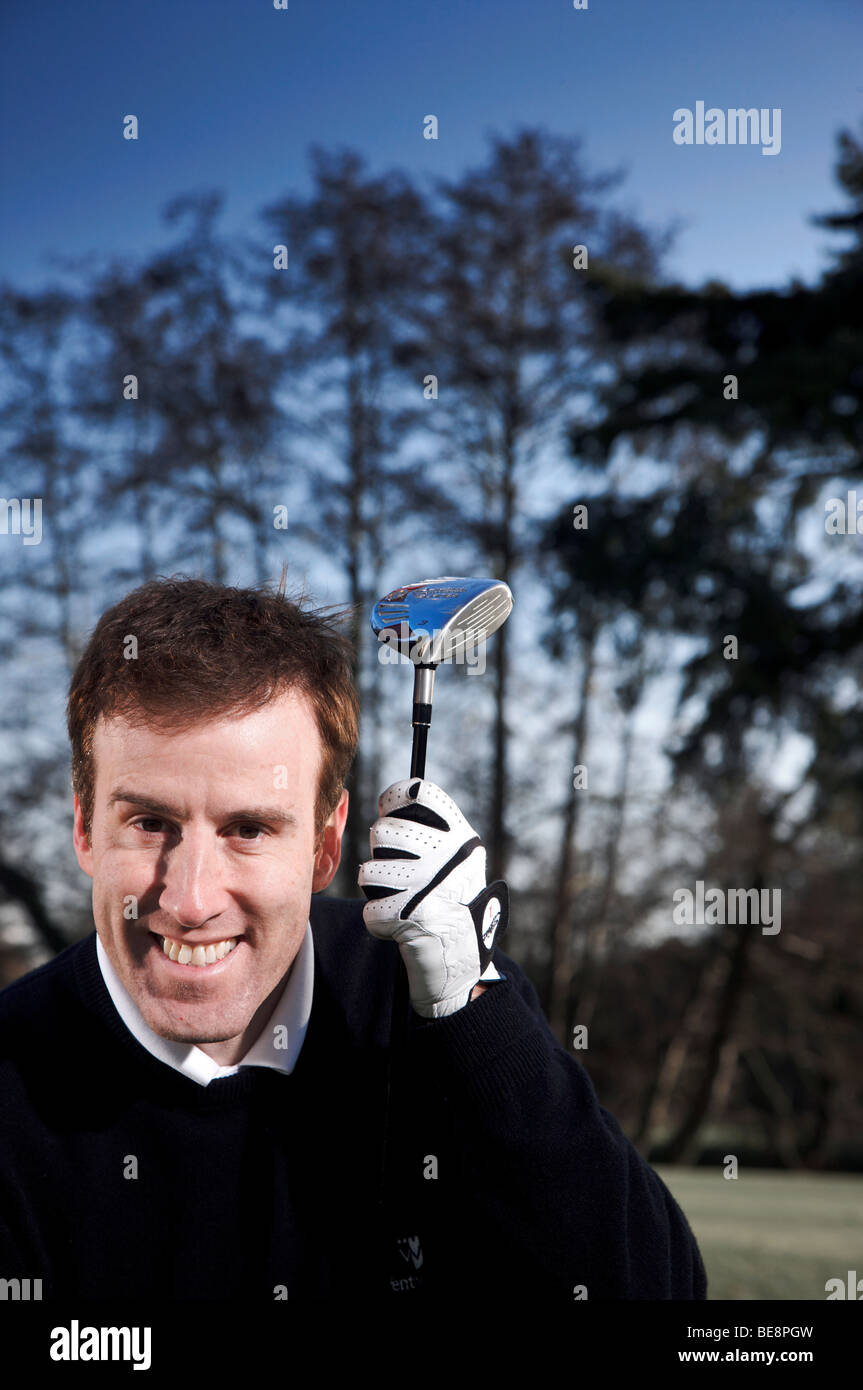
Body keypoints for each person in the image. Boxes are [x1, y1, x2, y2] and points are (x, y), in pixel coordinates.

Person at [0, 576, 707, 1301]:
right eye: (149, 823)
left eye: (249, 829)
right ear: (85, 828)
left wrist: (474, 1015)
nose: (189, 900)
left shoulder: (428, 997)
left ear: (325, 845)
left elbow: (658, 1291)